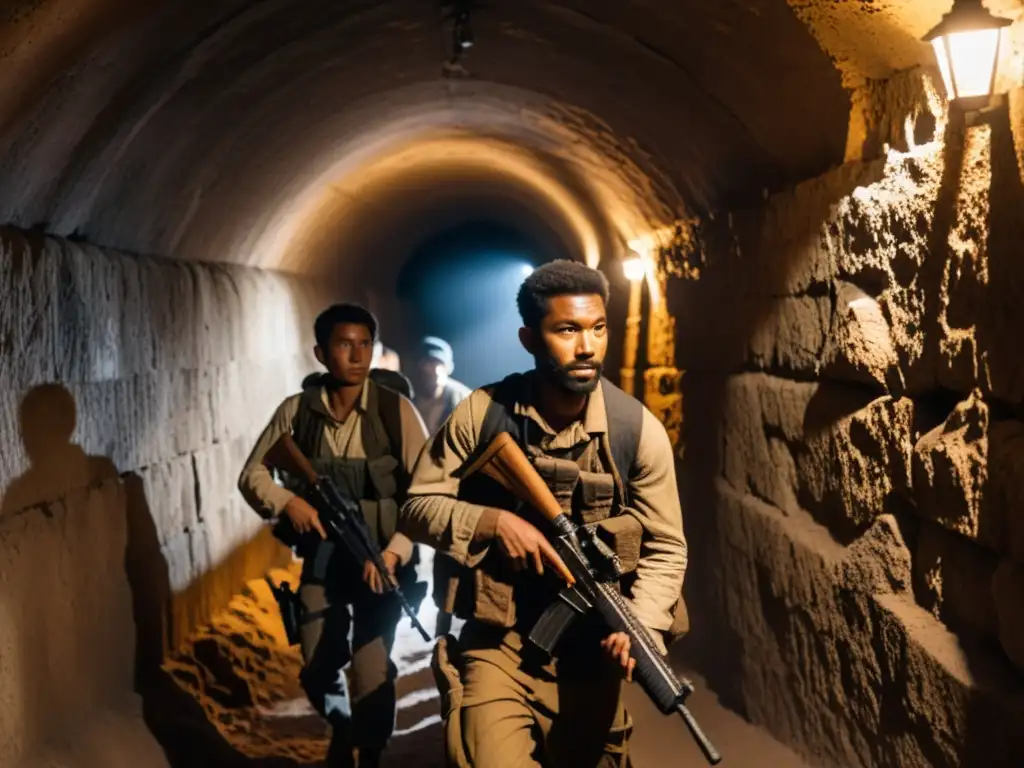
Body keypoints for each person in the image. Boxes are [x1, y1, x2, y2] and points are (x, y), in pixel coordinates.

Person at [399, 260, 689, 768]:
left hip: (593, 651)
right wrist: (492, 523)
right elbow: (416, 507)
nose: (587, 347)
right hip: (499, 643)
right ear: (529, 338)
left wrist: (640, 626)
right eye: (567, 330)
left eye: (598, 328)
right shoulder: (481, 414)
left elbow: (666, 545)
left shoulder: (636, 431)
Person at [238, 303, 429, 768]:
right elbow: (253, 476)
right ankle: (341, 726)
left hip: (382, 563)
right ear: (321, 352)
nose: (358, 355)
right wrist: (291, 503)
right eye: (345, 345)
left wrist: (394, 553)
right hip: (324, 559)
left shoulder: (394, 412)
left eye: (366, 344)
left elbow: (427, 491)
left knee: (371, 672)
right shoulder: (297, 412)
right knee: (317, 666)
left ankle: (370, 752)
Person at [412, 335, 471, 435]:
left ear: (448, 368)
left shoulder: (463, 398)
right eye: (430, 363)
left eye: (440, 364)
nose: (435, 370)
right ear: (420, 366)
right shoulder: (411, 397)